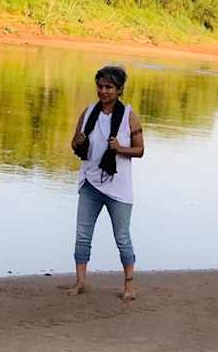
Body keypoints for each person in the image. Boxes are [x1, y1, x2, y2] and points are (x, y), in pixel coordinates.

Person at [68, 65, 144, 302]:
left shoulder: (129, 116)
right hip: (90, 184)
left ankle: (129, 286)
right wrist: (77, 141)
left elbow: (140, 150)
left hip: (118, 189)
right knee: (82, 235)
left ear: (119, 89)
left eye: (108, 87)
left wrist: (120, 149)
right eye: (100, 86)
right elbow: (75, 144)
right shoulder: (88, 112)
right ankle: (80, 282)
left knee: (122, 237)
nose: (103, 91)